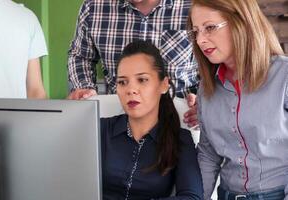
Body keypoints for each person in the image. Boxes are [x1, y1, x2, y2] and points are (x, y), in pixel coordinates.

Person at [187, 0, 288, 199]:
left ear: (241, 22)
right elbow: (208, 155)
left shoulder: (284, 76)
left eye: (210, 28)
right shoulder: (206, 88)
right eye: (196, 31)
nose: (200, 40)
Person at [67, 0, 199, 127]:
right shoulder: (93, 6)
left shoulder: (194, 6)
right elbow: (80, 56)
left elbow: (214, 63)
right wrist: (85, 89)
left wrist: (206, 101)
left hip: (183, 119)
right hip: (119, 120)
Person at [101, 40, 203, 200]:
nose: (131, 90)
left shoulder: (180, 139)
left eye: (142, 80)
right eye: (122, 82)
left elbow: (192, 197)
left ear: (163, 85)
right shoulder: (99, 129)